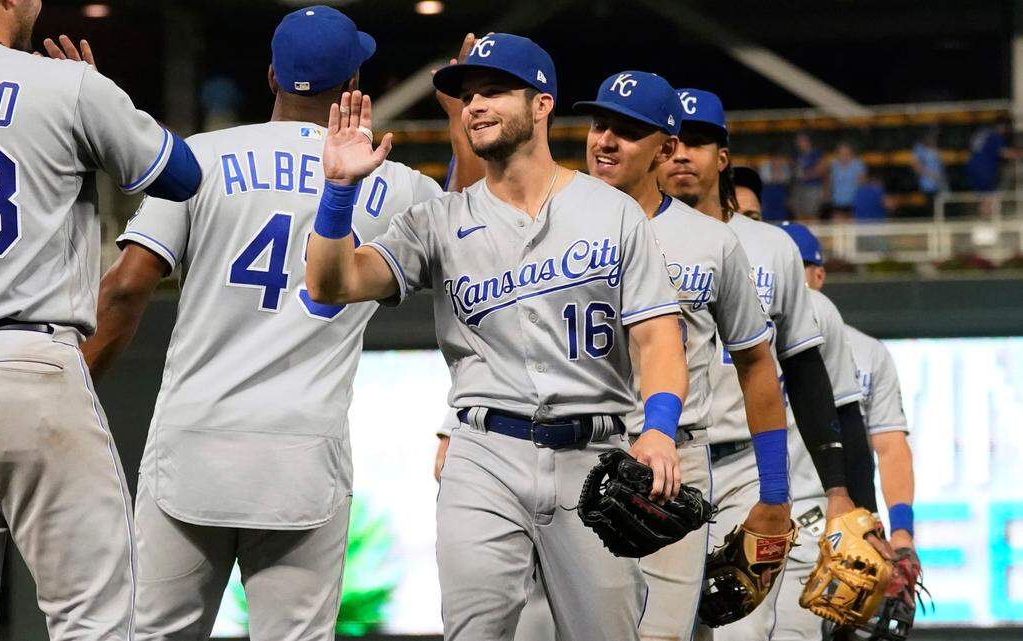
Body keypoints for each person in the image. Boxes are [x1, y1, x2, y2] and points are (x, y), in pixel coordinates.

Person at [76, 7, 445, 640]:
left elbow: (127, 288)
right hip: (300, 456)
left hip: (194, 443)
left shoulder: (200, 159)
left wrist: (68, 394)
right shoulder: (399, 185)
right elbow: (478, 230)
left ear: (272, 75)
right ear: (355, 84)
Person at [305, 34, 689, 641]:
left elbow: (659, 340)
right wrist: (338, 192)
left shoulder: (611, 211)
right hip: (484, 453)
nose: (475, 105)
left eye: (494, 91)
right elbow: (332, 283)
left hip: (592, 457)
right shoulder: (439, 219)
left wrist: (661, 431)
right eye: (466, 95)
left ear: (541, 104)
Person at [0, 1, 200, 638]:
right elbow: (180, 174)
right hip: (23, 363)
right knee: (94, 617)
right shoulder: (64, 84)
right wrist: (94, 105)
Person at [577, 74, 794, 641]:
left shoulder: (712, 241)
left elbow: (755, 363)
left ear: (665, 148)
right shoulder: (551, 218)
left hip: (674, 464)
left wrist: (773, 494)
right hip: (575, 449)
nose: (604, 141)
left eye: (626, 131)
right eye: (599, 125)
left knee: (664, 636)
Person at [656, 90, 877, 640]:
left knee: (745, 635)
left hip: (745, 469)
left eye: (700, 141)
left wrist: (837, 490)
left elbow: (805, 373)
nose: (684, 153)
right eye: (675, 141)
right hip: (661, 466)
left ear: (722, 156)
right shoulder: (628, 234)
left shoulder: (771, 247)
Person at [778, 222, 913, 640]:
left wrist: (901, 533)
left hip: (836, 524)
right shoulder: (746, 338)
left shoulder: (868, 352)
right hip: (762, 511)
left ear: (819, 274)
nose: (790, 276)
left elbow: (889, 447)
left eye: (798, 266)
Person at [967, 118, 1014, 217]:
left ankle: (984, 217)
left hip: (973, 168)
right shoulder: (994, 135)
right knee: (990, 198)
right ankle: (988, 220)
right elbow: (1004, 153)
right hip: (985, 169)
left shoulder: (982, 133)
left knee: (983, 197)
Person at [911, 128, 947, 211]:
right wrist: (932, 174)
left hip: (941, 184)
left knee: (942, 208)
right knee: (931, 208)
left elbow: (941, 165)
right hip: (928, 185)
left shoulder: (937, 147)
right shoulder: (919, 148)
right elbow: (916, 167)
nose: (933, 138)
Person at [828, 141, 866, 220]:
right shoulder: (834, 164)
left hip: (854, 201)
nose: (844, 156)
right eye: (841, 153)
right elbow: (830, 182)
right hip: (837, 201)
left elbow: (862, 183)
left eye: (847, 153)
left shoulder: (858, 164)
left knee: (852, 228)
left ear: (852, 153)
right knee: (837, 227)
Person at [791, 132, 825, 221]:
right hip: (800, 186)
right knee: (799, 212)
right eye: (798, 141)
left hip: (813, 187)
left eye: (801, 140)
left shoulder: (816, 153)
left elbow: (822, 169)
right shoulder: (797, 154)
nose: (799, 143)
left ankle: (814, 233)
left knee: (813, 213)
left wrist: (808, 174)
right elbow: (795, 170)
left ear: (807, 141)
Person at [758, 149, 792, 221]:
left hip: (780, 190)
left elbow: (786, 179)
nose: (776, 160)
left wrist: (778, 170)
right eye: (775, 158)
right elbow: (765, 178)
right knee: (767, 209)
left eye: (778, 158)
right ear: (771, 158)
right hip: (768, 190)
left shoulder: (784, 167)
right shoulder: (764, 166)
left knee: (781, 209)